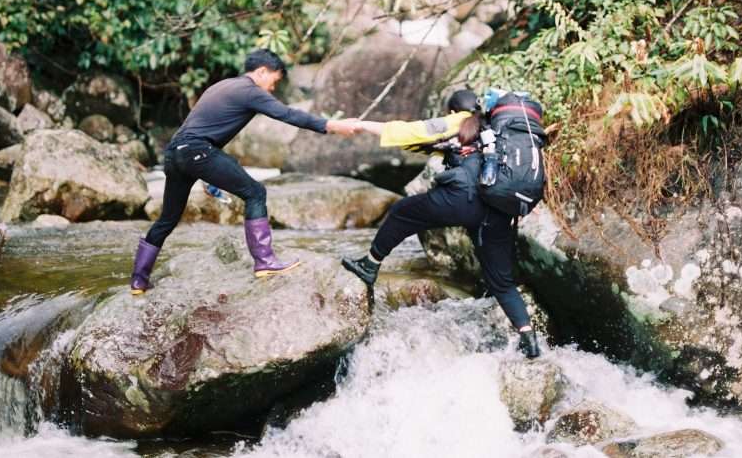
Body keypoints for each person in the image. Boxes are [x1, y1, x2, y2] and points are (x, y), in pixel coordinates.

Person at [130, 49, 360, 294]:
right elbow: (288, 114)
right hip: (197, 151)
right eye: (274, 80)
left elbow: (201, 128)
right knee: (255, 193)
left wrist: (207, 176)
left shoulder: (223, 86)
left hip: (176, 153)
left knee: (167, 219)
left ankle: (138, 281)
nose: (272, 88)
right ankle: (265, 261)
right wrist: (332, 125)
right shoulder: (249, 91)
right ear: (261, 72)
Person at [341, 89, 541, 358]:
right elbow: (422, 145)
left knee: (402, 211)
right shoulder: (495, 130)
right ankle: (528, 338)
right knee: (502, 283)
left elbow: (408, 132)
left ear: (452, 111)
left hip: (462, 199)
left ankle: (370, 265)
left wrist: (363, 125)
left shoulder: (456, 122)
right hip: (497, 211)